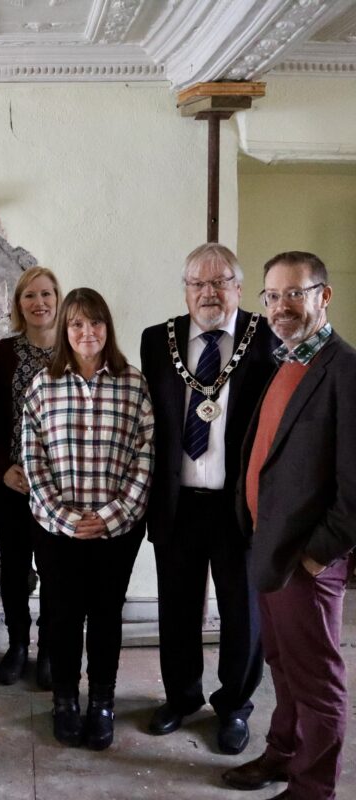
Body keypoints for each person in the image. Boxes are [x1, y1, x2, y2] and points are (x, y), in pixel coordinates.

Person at [222, 251, 356, 800]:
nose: (281, 306)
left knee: (317, 680)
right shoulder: (289, 361)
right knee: (282, 663)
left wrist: (316, 556)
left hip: (304, 560)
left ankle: (312, 788)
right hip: (270, 550)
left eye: (294, 294)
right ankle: (282, 754)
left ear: (323, 296)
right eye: (272, 295)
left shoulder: (345, 370)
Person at [140, 243, 277, 755]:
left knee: (242, 610)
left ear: (240, 289)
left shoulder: (265, 339)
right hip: (178, 502)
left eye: (220, 282)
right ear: (185, 289)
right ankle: (180, 697)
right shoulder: (159, 339)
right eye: (198, 283)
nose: (209, 292)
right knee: (176, 606)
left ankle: (236, 706)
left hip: (238, 504)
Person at [23, 287, 154, 750]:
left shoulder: (133, 383)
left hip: (115, 530)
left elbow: (145, 455)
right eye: (76, 323)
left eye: (95, 322)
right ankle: (64, 700)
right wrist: (65, 518)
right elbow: (32, 459)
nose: (86, 332)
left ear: (107, 328)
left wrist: (111, 516)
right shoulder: (43, 385)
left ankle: (101, 701)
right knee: (61, 616)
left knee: (104, 616)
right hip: (58, 530)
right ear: (65, 330)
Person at [0, 267, 61, 689]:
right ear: (18, 303)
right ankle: (18, 646)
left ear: (58, 300)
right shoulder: (2, 354)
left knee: (56, 569)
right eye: (30, 295)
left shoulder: (75, 351)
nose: (39, 303)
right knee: (13, 567)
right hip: (10, 481)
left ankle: (49, 651)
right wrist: (0, 468)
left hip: (62, 488)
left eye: (46, 294)